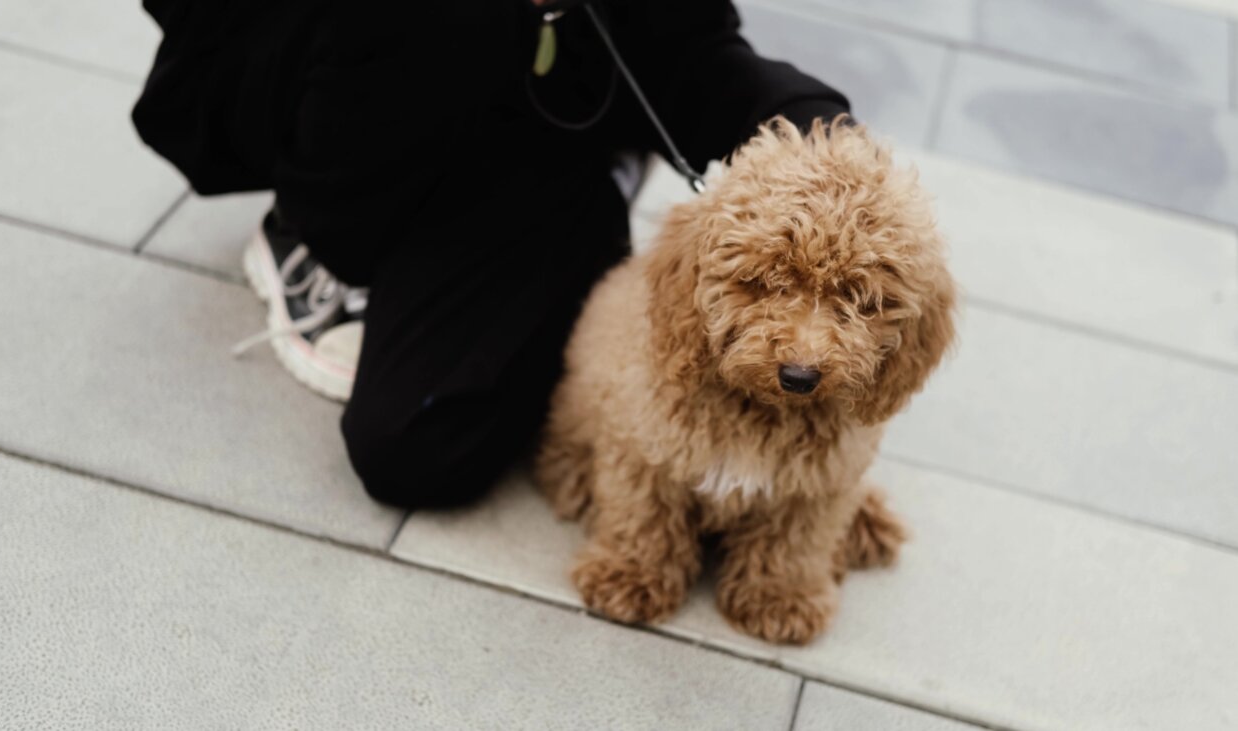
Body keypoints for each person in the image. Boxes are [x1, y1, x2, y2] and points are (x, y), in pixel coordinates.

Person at [132, 0, 850, 509]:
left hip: (533, 134)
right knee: (415, 444)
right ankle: (301, 236)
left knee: (422, 442)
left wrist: (823, 140)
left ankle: (599, 133)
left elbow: (694, 52)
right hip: (356, 112)